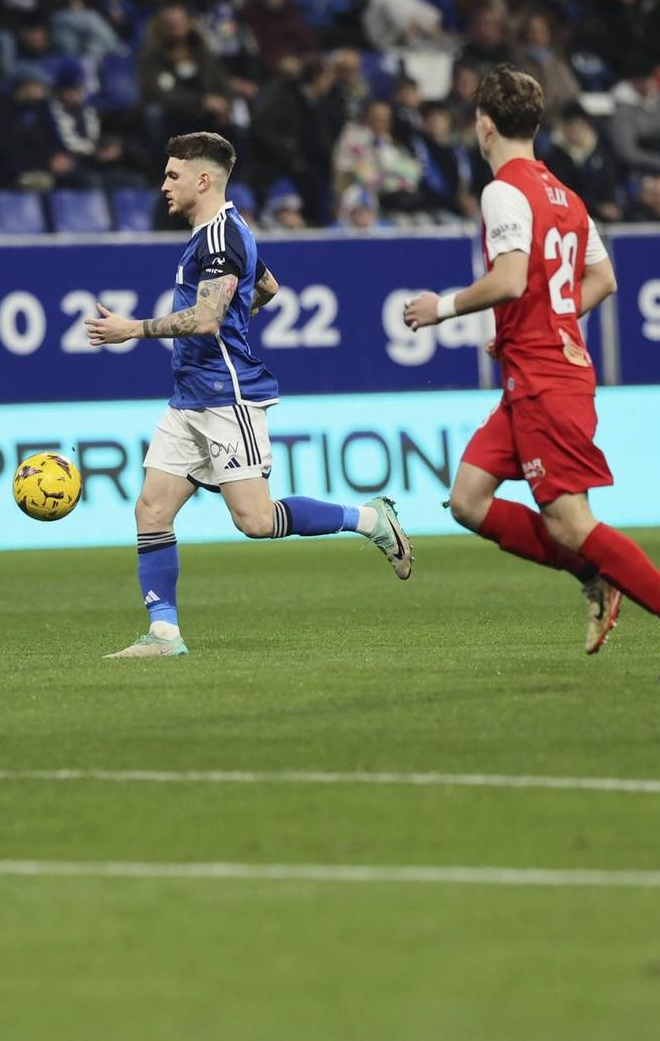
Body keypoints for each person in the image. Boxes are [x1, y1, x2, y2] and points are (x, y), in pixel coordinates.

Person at [402, 65, 660, 683]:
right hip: (538, 369)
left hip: (547, 377)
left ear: (484, 124)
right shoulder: (565, 194)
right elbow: (603, 279)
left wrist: (439, 308)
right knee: (468, 499)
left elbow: (511, 279)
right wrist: (547, 318)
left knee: (570, 522)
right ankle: (594, 577)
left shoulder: (503, 190)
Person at [81, 131, 413, 659]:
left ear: (203, 179)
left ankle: (370, 520)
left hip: (225, 396)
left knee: (256, 522)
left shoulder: (220, 239)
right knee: (151, 509)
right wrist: (242, 311)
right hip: (187, 396)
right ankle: (164, 634)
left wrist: (134, 329)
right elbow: (268, 287)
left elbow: (209, 316)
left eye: (173, 175)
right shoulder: (221, 233)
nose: (163, 185)